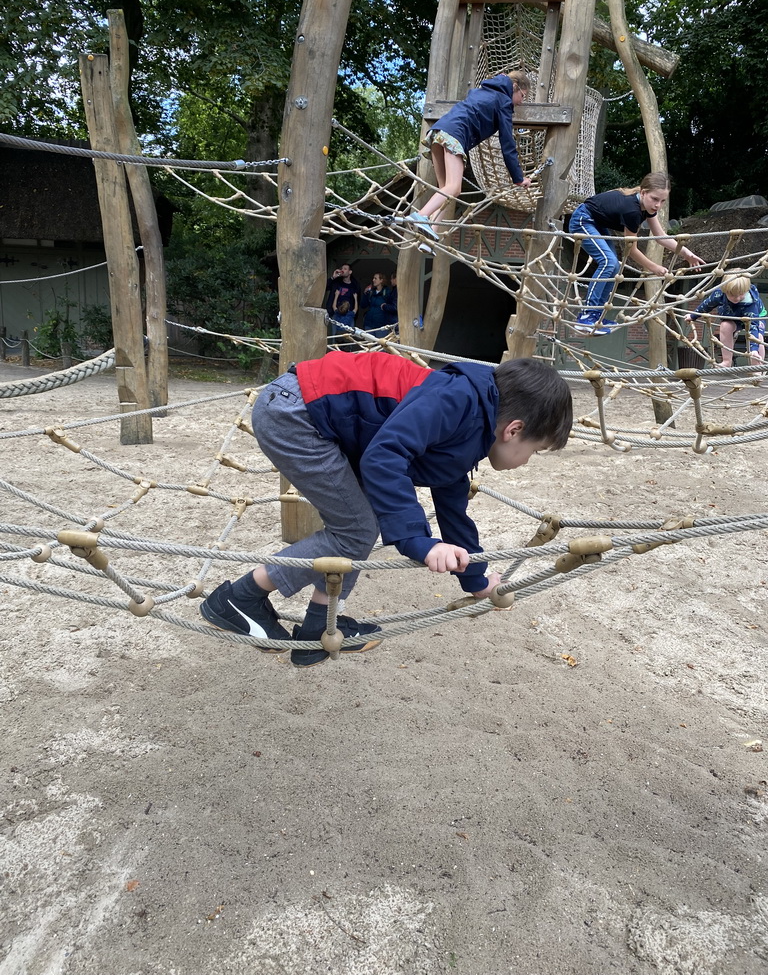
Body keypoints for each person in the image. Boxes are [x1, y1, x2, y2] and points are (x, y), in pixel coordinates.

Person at [200, 352, 572, 669]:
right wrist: (419, 542)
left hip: (314, 416)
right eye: (534, 450)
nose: (526, 461)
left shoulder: (476, 423)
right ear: (514, 430)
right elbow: (385, 456)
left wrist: (477, 581)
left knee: (363, 523)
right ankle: (240, 597)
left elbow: (452, 506)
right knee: (357, 529)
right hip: (296, 413)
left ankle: (319, 625)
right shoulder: (458, 401)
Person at [568, 172, 705, 335]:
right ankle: (586, 315)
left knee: (613, 268)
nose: (657, 205)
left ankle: (596, 315)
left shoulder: (646, 207)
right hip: (583, 220)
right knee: (609, 262)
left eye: (662, 201)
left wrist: (686, 253)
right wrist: (653, 267)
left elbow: (661, 237)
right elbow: (631, 251)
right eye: (655, 199)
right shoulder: (632, 211)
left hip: (597, 224)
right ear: (643, 192)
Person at [409, 71, 533, 248]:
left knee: (446, 190)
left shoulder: (481, 91)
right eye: (522, 96)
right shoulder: (503, 102)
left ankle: (430, 235)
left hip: (438, 133)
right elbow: (507, 144)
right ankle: (421, 216)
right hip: (455, 136)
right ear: (514, 87)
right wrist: (519, 178)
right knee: (454, 187)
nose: (521, 102)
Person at [684, 270, 766, 367]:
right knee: (725, 326)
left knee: (758, 337)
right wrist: (693, 316)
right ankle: (727, 361)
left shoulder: (750, 302)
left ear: (746, 290)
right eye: (732, 295)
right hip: (733, 317)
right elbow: (706, 305)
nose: (737, 298)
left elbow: (753, 327)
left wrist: (754, 350)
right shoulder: (719, 294)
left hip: (756, 318)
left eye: (741, 294)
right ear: (725, 290)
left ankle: (757, 368)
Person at [325, 263, 360, 348]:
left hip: (349, 316)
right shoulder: (336, 282)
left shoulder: (354, 285)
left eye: (345, 268)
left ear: (350, 272)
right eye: (342, 268)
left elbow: (357, 300)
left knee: (349, 340)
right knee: (335, 339)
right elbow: (325, 287)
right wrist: (333, 277)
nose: (342, 270)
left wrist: (354, 315)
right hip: (336, 315)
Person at [361, 272, 397, 336]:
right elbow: (363, 305)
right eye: (373, 278)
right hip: (369, 324)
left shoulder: (387, 292)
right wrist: (365, 294)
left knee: (380, 344)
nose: (373, 280)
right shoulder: (371, 292)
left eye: (375, 278)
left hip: (381, 325)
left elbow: (392, 306)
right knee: (369, 345)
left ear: (381, 280)